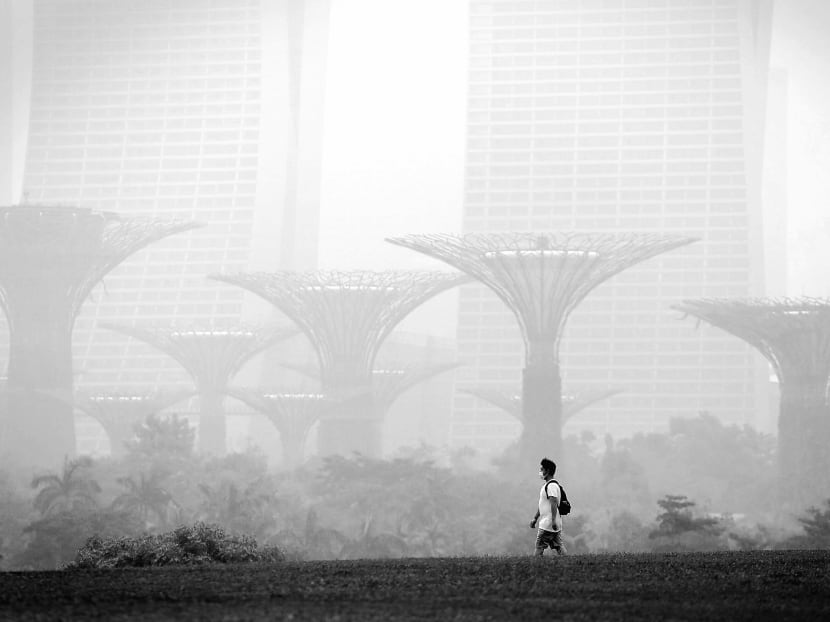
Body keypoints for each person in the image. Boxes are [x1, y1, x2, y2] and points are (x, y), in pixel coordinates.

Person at [529, 457, 566, 556]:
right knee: (559, 546)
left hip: (548, 523)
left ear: (548, 471)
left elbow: (553, 503)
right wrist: (535, 518)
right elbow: (542, 505)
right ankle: (569, 562)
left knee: (539, 546)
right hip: (552, 523)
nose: (540, 472)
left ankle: (535, 567)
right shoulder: (547, 486)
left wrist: (553, 520)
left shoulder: (551, 486)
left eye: (542, 469)